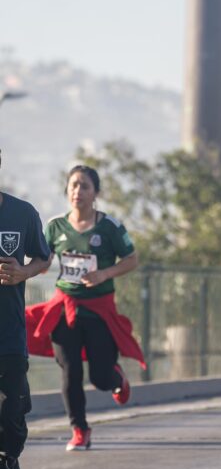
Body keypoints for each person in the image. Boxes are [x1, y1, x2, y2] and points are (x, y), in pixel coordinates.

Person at [26, 165, 144, 452]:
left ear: (96, 193)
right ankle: (79, 429)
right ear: (67, 191)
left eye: (85, 186)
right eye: (73, 185)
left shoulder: (110, 228)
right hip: (64, 308)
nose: (78, 191)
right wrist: (36, 267)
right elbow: (42, 258)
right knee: (70, 371)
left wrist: (103, 274)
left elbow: (131, 259)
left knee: (100, 377)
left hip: (98, 310)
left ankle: (116, 377)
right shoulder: (55, 226)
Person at [0, 163, 51, 469]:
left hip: (9, 332)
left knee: (13, 412)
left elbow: (43, 258)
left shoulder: (22, 213)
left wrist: (23, 272)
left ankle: (8, 461)